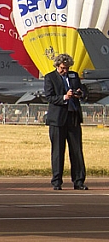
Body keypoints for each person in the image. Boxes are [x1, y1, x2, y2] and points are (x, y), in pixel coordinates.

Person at [43, 54, 88, 190]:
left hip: (73, 117)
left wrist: (80, 93)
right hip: (57, 119)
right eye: (63, 68)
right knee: (58, 151)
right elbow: (49, 97)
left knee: (76, 151)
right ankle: (57, 181)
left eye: (67, 68)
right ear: (57, 66)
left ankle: (79, 181)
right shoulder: (50, 77)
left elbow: (84, 91)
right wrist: (64, 97)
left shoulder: (73, 76)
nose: (65, 71)